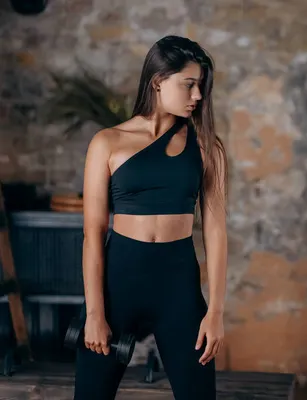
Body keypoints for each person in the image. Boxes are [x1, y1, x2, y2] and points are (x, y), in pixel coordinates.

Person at [73, 35, 228, 399]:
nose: (198, 96)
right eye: (189, 84)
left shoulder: (207, 146)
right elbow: (93, 233)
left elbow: (216, 231)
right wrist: (95, 313)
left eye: (201, 87)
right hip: (118, 284)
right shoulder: (107, 142)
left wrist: (216, 311)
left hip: (178, 287)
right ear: (158, 81)